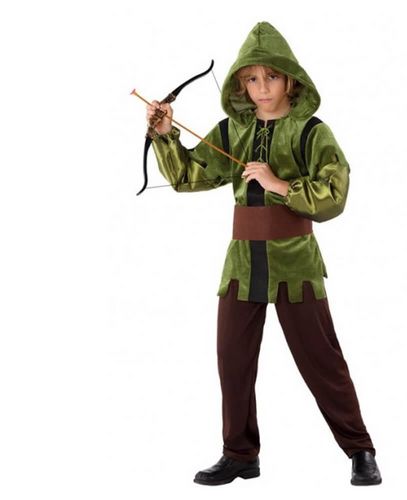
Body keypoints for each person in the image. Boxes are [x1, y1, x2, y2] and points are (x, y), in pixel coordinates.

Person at [145, 21, 382, 486]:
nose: (262, 88)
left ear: (289, 78)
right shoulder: (233, 130)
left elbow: (335, 194)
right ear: (240, 83)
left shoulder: (311, 131)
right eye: (251, 79)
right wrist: (166, 135)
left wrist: (279, 185)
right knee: (232, 360)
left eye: (271, 76)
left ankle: (360, 449)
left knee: (322, 361)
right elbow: (189, 176)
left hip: (296, 263)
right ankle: (239, 454)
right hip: (242, 263)